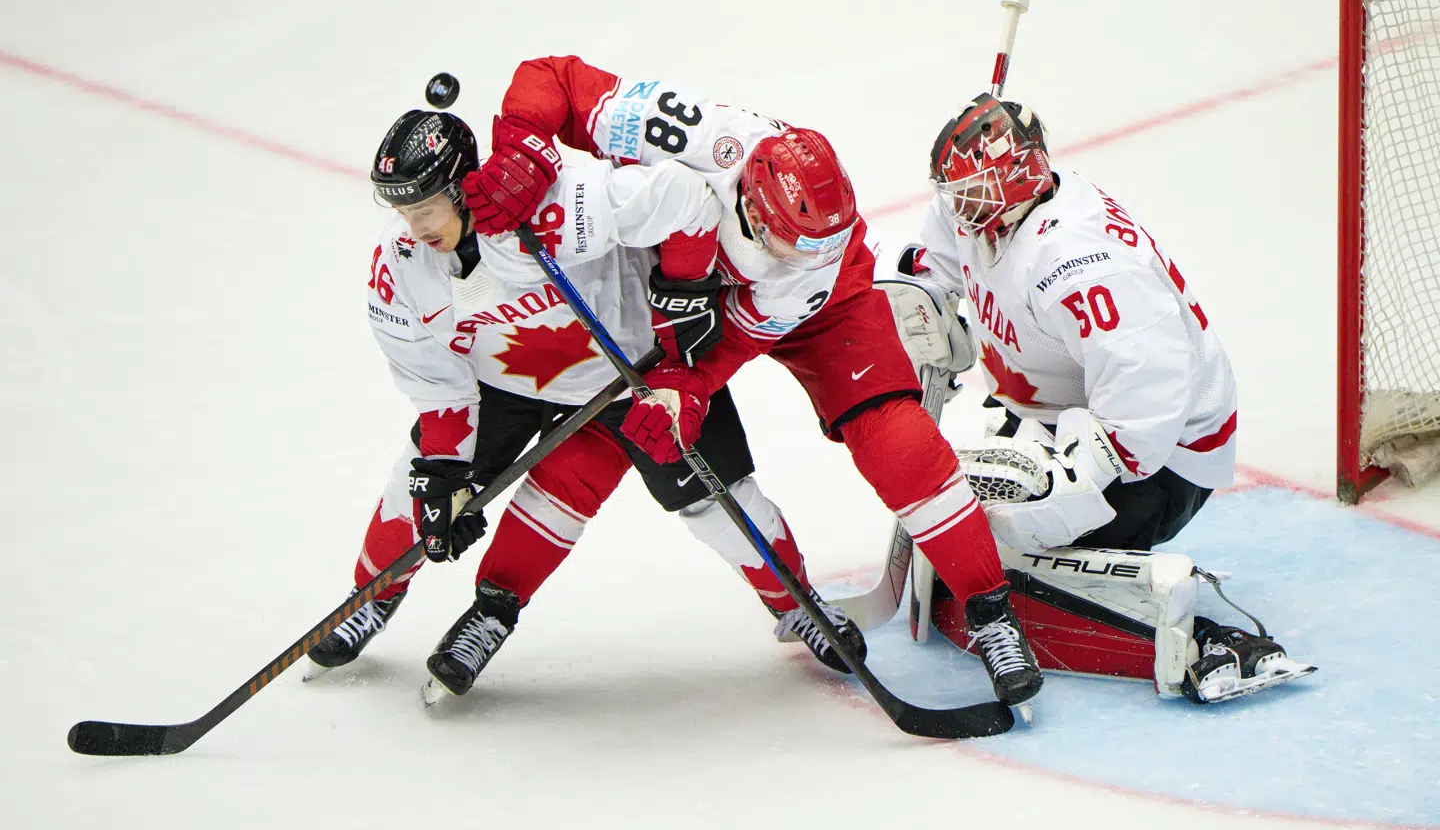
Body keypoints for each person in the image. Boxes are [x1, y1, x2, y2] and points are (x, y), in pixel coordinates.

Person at [457, 56, 1043, 710]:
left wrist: (686, 386)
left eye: (824, 238)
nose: (809, 252)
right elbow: (554, 76)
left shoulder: (813, 264)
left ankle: (992, 613)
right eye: (796, 242)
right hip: (665, 295)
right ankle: (789, 603)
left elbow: (735, 337)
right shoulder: (693, 135)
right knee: (602, 448)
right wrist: (523, 145)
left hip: (818, 309)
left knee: (896, 441)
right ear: (754, 208)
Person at [306, 106, 867, 700]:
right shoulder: (400, 269)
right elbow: (438, 386)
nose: (413, 227)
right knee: (422, 484)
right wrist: (446, 468)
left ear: (459, 189)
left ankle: (801, 605)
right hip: (502, 387)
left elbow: (686, 199)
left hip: (635, 378)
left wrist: (683, 296)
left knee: (713, 500)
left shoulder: (555, 201)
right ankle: (370, 598)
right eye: (402, 211)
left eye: (423, 208)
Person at [902, 92, 1313, 703]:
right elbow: (931, 263)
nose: (957, 205)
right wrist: (926, 309)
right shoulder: (989, 211)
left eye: (971, 191)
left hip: (1165, 456)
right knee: (969, 510)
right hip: (1055, 412)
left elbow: (1143, 413)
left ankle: (1195, 634)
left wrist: (1054, 495)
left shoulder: (1085, 265)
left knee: (1008, 533)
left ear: (1016, 180)